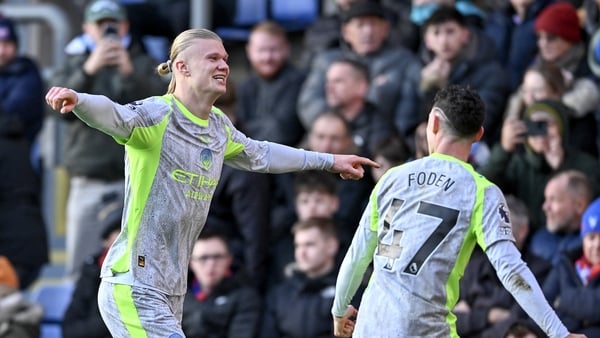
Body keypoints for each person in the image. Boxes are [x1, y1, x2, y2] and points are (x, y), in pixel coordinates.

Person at [45, 28, 378, 337]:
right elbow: (114, 113)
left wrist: (330, 161)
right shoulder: (158, 114)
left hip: (172, 289)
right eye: (213, 58)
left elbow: (262, 154)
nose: (224, 66)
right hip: (133, 283)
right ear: (182, 67)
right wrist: (80, 101)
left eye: (226, 59)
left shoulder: (218, 126)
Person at [330, 85, 586, 338]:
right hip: (425, 330)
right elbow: (511, 269)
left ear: (434, 122)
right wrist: (559, 333)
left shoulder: (391, 179)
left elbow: (357, 256)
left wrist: (339, 309)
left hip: (371, 328)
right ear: (478, 135)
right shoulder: (481, 192)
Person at [49, 0, 165, 278]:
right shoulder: (73, 62)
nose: (107, 31)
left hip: (134, 180)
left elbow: (156, 111)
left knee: (137, 266)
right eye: (100, 25)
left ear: (125, 26)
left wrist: (129, 72)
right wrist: (88, 70)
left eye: (113, 24)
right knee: (80, 267)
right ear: (86, 28)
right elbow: (58, 112)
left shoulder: (144, 62)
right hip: (87, 179)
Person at [479, 99, 600, 230]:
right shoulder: (518, 165)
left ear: (561, 127)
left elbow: (589, 203)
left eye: (545, 125)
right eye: (532, 126)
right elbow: (483, 190)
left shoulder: (587, 165)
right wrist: (504, 150)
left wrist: (560, 166)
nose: (540, 133)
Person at [455, 195, 552, 338]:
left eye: (499, 228)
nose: (491, 234)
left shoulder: (539, 271)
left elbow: (517, 323)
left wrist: (471, 317)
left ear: (522, 231)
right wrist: (488, 316)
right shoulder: (473, 267)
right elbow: (449, 319)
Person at [261, 217, 347, 338]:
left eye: (309, 245)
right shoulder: (279, 294)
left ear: (331, 247)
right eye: (297, 246)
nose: (301, 253)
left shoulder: (348, 292)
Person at [236, 20, 306, 147]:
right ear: (249, 51)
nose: (267, 57)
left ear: (287, 49)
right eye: (261, 50)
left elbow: (282, 132)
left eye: (274, 50)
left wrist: (248, 130)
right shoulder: (245, 86)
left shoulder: (299, 82)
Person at [182, 229, 261, 338]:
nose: (211, 264)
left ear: (229, 259)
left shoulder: (245, 297)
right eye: (203, 258)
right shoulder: (178, 298)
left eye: (217, 257)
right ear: (191, 263)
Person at [62, 201, 122, 338]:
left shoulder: (145, 269)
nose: (124, 237)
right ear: (105, 240)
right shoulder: (91, 270)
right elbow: (70, 330)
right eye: (118, 231)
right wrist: (111, 321)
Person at [542, 197, 600, 336]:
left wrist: (562, 299)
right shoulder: (565, 263)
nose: (597, 245)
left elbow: (596, 308)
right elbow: (543, 307)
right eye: (591, 237)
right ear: (583, 240)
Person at [528, 170, 594, 265]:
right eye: (546, 199)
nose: (545, 207)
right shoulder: (538, 240)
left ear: (579, 205)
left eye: (553, 199)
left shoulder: (594, 245)